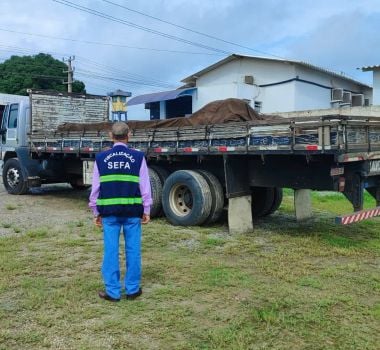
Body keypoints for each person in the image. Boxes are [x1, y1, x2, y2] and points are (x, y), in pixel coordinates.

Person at [89, 122, 152, 302]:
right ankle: (132, 290)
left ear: (111, 135)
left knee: (111, 250)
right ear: (129, 135)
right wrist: (146, 209)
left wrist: (96, 211)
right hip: (132, 212)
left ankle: (113, 291)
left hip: (109, 213)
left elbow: (95, 188)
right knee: (133, 250)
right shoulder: (138, 157)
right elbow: (145, 186)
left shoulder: (101, 158)